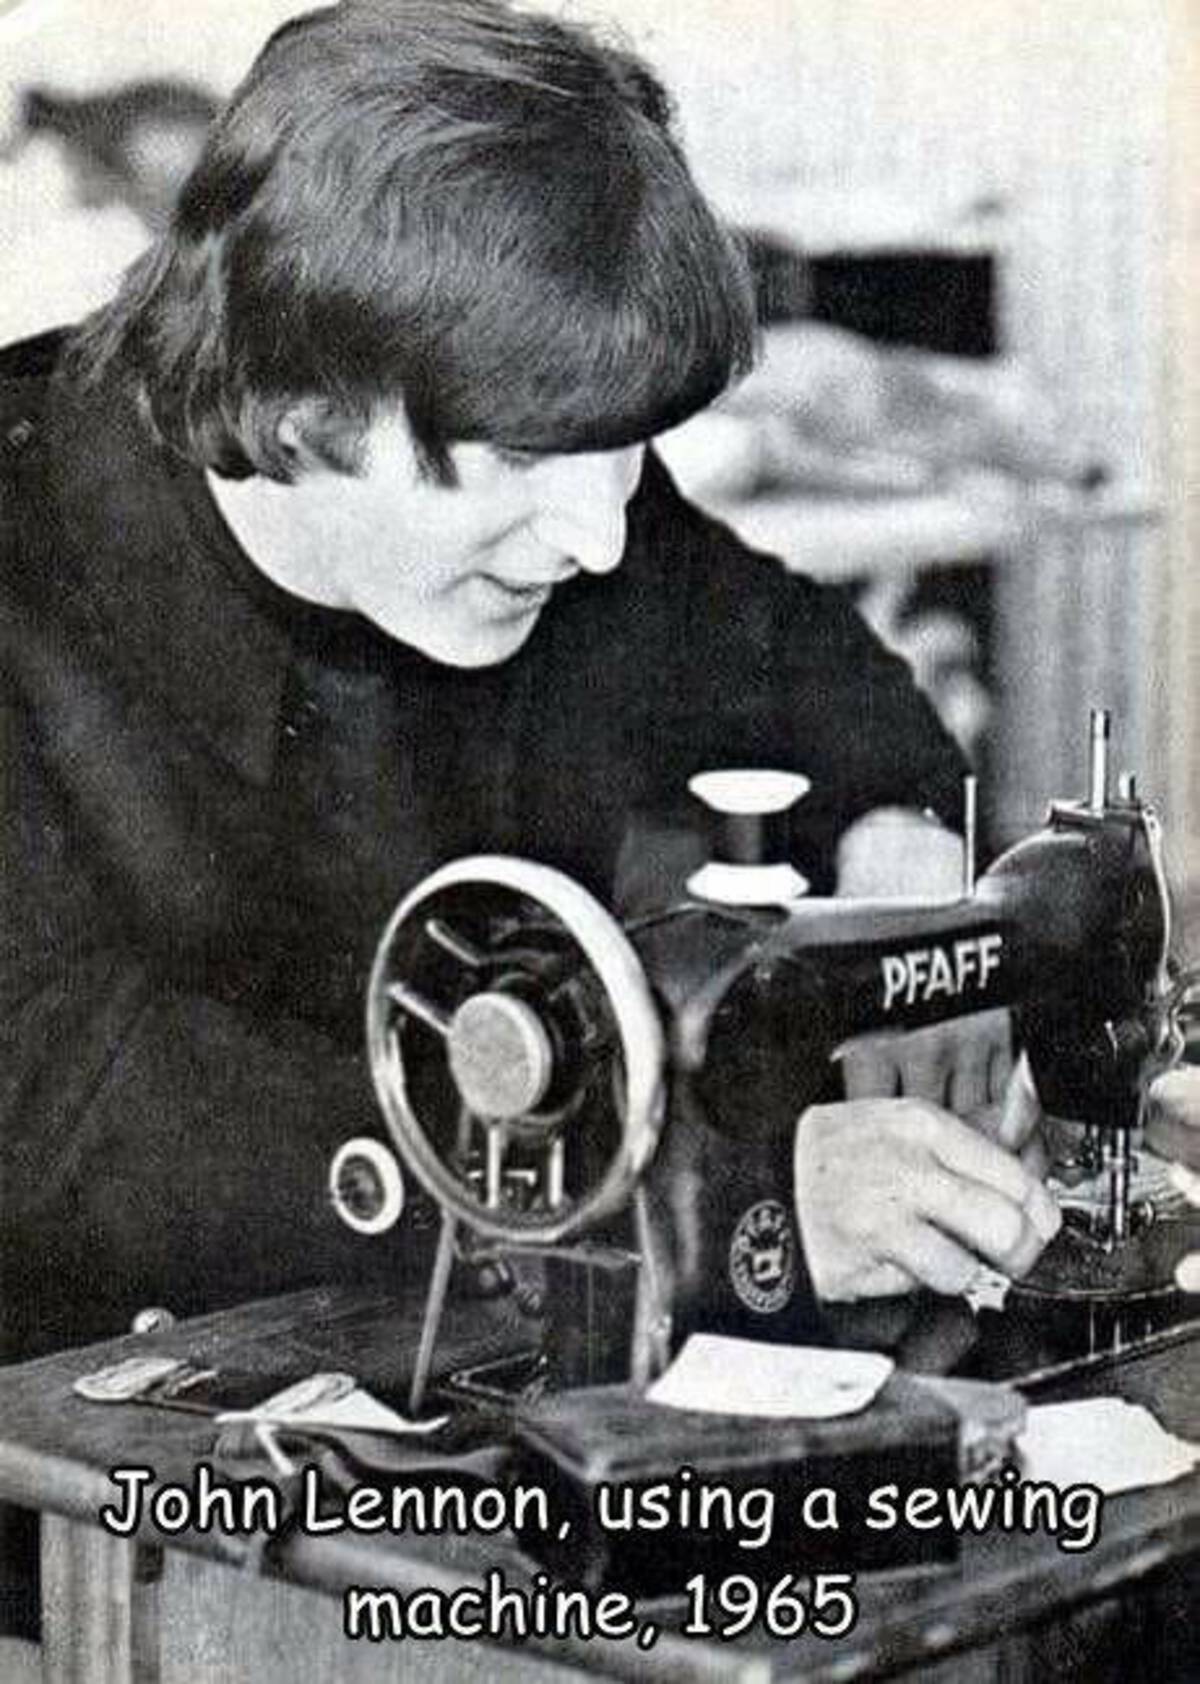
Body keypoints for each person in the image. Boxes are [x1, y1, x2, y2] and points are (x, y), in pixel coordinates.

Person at [0, 0, 1055, 1375]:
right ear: (304, 406)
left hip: (435, 1370)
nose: (600, 537)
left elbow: (798, 665)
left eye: (623, 456)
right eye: (522, 464)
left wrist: (909, 883)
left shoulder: (553, 455)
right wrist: (710, 1195)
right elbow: (81, 1115)